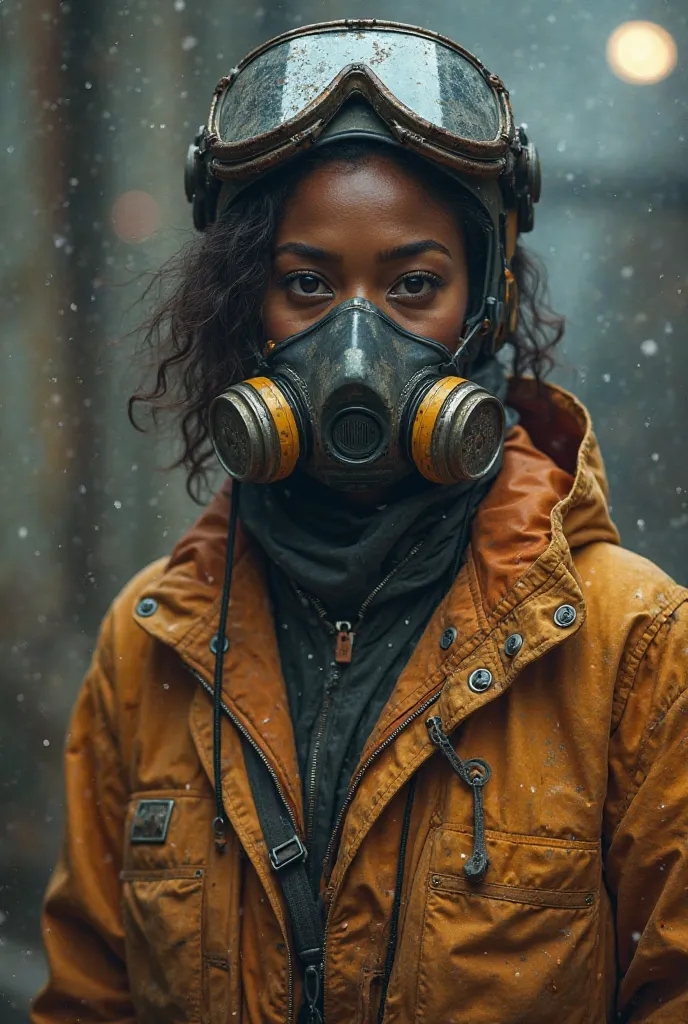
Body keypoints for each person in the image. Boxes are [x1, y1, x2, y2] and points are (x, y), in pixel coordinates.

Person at [32, 19, 688, 1024]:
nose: (354, 342)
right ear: (243, 305)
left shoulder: (632, 644)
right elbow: (87, 999)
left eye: (412, 284)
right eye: (306, 283)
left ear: (488, 306)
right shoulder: (150, 642)